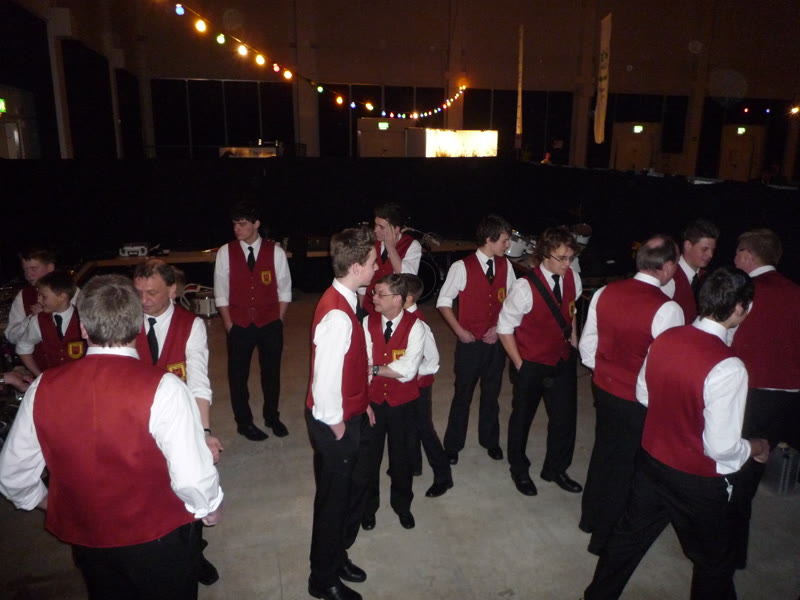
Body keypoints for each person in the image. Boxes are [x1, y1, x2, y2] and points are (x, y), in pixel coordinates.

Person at [0, 274, 224, 600]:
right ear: (136, 325)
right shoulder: (166, 388)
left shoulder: (41, 388)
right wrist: (210, 507)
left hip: (88, 539)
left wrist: (53, 504)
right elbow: (191, 477)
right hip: (158, 536)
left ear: (83, 328)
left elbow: (12, 476)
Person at [582, 267, 770, 600]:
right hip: (696, 481)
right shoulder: (729, 367)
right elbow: (720, 448)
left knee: (627, 540)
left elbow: (643, 394)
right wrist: (754, 446)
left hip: (651, 464)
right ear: (741, 308)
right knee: (714, 563)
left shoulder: (665, 339)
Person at [578, 235, 684, 555]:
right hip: (636, 400)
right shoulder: (668, 309)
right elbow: (660, 367)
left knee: (604, 452)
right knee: (625, 467)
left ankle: (590, 518)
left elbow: (587, 346)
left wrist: (604, 372)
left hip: (604, 387)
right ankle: (604, 539)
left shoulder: (605, 292)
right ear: (667, 266)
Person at [133, 259, 224, 586]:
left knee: (189, 493)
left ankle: (194, 553)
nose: (143, 300)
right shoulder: (126, 321)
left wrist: (204, 433)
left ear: (172, 290)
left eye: (152, 292)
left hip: (180, 425)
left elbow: (198, 382)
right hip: (136, 425)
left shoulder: (191, 325)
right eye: (138, 292)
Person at [306, 226, 378, 600]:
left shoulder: (349, 300)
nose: (377, 267)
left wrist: (362, 402)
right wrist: (337, 425)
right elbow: (324, 380)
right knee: (332, 503)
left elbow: (351, 365)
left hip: (350, 411)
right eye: (372, 262)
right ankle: (322, 579)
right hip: (333, 420)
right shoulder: (337, 314)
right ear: (355, 266)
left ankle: (337, 556)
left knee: (352, 490)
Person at [729, 228, 800, 568]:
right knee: (754, 470)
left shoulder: (747, 290)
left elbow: (727, 336)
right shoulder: (796, 292)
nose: (734, 259)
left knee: (738, 474)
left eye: (737, 252)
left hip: (753, 395)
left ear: (747, 255)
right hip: (789, 399)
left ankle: (729, 554)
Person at [497, 226, 583, 497]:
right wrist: (520, 364)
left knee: (564, 419)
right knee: (522, 419)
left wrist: (574, 341)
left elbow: (571, 312)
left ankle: (555, 469)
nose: (568, 264)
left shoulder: (574, 278)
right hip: (531, 363)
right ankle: (519, 469)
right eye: (562, 258)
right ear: (545, 254)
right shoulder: (524, 287)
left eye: (571, 257)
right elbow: (504, 328)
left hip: (562, 359)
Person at [437, 214, 514, 465]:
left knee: (492, 394)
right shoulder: (462, 267)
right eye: (504, 241)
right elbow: (443, 302)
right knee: (463, 395)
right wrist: (459, 331)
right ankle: (453, 445)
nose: (508, 246)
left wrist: (499, 327)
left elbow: (512, 301)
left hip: (495, 344)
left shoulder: (506, 265)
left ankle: (490, 440)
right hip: (469, 344)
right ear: (489, 239)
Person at [214, 201, 292, 441]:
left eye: (242, 224)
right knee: (238, 376)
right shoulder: (225, 252)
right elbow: (221, 291)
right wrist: (229, 324)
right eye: (234, 224)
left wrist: (277, 320)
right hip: (238, 323)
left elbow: (285, 290)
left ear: (256, 224)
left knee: (271, 374)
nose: (236, 228)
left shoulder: (275, 251)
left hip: (270, 323)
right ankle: (244, 422)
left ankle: (271, 416)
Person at [361, 274, 424, 531]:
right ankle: (368, 508)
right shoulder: (367, 322)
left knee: (402, 458)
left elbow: (408, 370)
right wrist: (364, 400)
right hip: (373, 402)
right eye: (374, 292)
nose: (373, 298)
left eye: (380, 294)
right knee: (369, 459)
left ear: (397, 299)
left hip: (404, 404)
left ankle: (402, 505)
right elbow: (362, 364)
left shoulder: (416, 326)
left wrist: (376, 369)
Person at [403, 274, 452, 498]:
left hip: (419, 385)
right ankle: (414, 464)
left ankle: (444, 476)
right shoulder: (402, 318)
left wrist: (412, 373)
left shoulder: (419, 324)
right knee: (408, 425)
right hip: (407, 383)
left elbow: (432, 360)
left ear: (408, 298)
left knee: (424, 428)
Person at [16, 270, 85, 377]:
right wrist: (39, 376)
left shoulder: (84, 318)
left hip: (81, 380)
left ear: (62, 297)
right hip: (51, 380)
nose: (39, 300)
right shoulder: (38, 320)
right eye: (38, 295)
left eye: (43, 296)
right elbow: (23, 347)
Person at [360, 202, 422, 315]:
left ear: (396, 229)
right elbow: (362, 279)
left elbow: (407, 279)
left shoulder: (412, 245)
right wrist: (360, 308)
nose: (375, 230)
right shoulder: (372, 242)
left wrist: (390, 247)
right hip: (370, 305)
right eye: (375, 225)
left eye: (381, 227)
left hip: (394, 310)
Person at [663, 218, 719, 322]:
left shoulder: (708, 278)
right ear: (687, 245)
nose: (710, 255)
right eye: (705, 249)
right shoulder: (668, 276)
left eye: (712, 250)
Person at [4, 247, 56, 345]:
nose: (28, 274)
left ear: (50, 268)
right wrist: (32, 318)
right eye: (25, 270)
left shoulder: (70, 292)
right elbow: (11, 336)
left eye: (33, 268)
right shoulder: (23, 295)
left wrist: (49, 315)